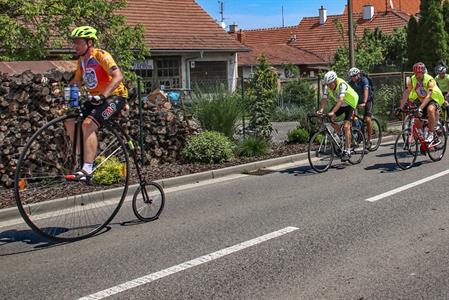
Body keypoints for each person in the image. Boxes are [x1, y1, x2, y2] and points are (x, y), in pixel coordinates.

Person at [65, 25, 128, 180]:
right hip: (95, 99)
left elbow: (118, 76)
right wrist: (67, 99)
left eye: (79, 42)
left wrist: (102, 96)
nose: (76, 46)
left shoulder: (101, 55)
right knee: (70, 121)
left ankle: (88, 168)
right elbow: (76, 83)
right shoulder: (81, 61)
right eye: (75, 42)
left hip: (114, 96)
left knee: (88, 124)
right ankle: (84, 157)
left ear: (90, 43)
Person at [317, 70, 359, 161]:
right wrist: (321, 110)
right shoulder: (327, 86)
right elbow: (324, 99)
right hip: (342, 104)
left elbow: (340, 100)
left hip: (350, 103)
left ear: (335, 81)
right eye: (327, 84)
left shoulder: (342, 84)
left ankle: (348, 151)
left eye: (330, 84)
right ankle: (340, 135)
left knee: (347, 126)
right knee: (329, 119)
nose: (328, 86)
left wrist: (333, 112)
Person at [400, 62, 445, 143]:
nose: (417, 75)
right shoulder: (412, 79)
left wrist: (420, 108)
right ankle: (423, 136)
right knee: (417, 119)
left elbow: (429, 96)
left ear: (423, 72)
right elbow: (407, 92)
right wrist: (400, 107)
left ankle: (431, 133)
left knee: (430, 109)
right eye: (415, 73)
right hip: (423, 100)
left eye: (419, 73)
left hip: (435, 98)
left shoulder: (429, 79)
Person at [348, 67, 374, 149]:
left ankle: (369, 141)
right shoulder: (351, 83)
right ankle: (358, 136)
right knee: (352, 117)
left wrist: (365, 102)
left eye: (354, 76)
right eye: (351, 76)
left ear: (358, 75)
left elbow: (366, 90)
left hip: (368, 100)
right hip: (357, 101)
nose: (353, 78)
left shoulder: (364, 80)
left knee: (367, 119)